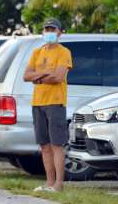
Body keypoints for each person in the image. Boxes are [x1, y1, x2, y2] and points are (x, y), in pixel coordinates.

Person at [23, 18, 72, 192]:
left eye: (53, 29)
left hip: (55, 103)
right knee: (44, 145)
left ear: (59, 32)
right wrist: (45, 73)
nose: (49, 32)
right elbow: (26, 75)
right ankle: (49, 183)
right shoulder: (37, 52)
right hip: (38, 102)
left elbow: (58, 77)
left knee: (56, 144)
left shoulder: (64, 52)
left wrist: (37, 76)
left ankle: (59, 184)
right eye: (47, 29)